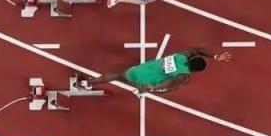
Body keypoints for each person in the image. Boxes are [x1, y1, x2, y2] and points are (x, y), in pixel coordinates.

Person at [82, 49, 232, 95]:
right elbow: (169, 83)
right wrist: (154, 89)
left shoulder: (180, 57)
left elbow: (195, 51)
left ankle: (87, 82)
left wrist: (214, 56)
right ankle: (142, 90)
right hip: (146, 82)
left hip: (140, 69)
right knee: (175, 87)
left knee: (116, 76)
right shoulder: (184, 75)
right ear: (197, 71)